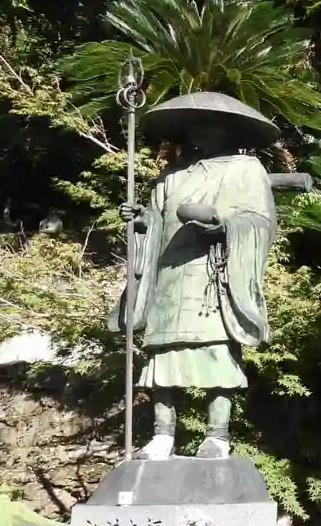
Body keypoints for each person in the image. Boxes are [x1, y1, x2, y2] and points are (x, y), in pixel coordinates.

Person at [113, 94, 277, 460]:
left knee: (215, 353)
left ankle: (217, 435)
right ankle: (162, 435)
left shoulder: (246, 169)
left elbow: (261, 221)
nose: (201, 132)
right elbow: (155, 223)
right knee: (162, 357)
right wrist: (140, 220)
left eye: (211, 125)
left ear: (230, 130)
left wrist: (222, 223)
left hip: (212, 276)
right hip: (169, 275)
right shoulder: (172, 176)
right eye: (195, 126)